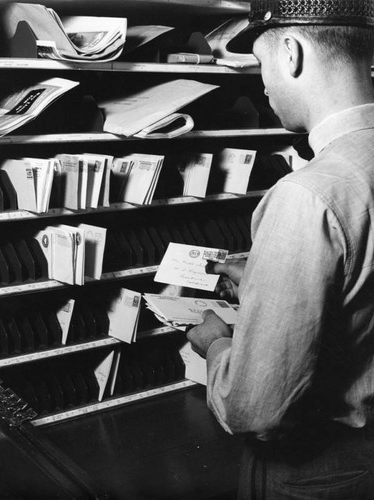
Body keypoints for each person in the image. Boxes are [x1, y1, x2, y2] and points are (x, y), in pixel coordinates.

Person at [186, 0, 374, 498]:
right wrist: (269, 282)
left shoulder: (307, 195)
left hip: (321, 473)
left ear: (290, 53)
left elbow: (255, 406)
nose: (263, 84)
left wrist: (217, 344)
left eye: (262, 64)